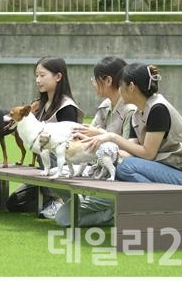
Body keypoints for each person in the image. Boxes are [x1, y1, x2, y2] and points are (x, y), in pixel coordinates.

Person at [76, 63, 182, 191]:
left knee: (124, 167)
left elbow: (148, 154)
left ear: (131, 87)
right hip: (171, 170)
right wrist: (96, 147)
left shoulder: (158, 108)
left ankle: (155, 203)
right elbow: (130, 150)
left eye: (121, 86)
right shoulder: (137, 112)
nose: (119, 90)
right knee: (116, 162)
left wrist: (111, 137)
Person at [54, 56, 136, 227]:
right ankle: (88, 201)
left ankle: (114, 215)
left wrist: (99, 135)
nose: (92, 83)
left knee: (63, 219)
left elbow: (131, 152)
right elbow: (89, 135)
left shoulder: (131, 110)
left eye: (94, 79)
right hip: (94, 168)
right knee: (55, 173)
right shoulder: (105, 105)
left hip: (116, 176)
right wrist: (82, 136)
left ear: (107, 80)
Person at [5, 56, 83, 217]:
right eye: (36, 75)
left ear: (58, 77)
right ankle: (49, 200)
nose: (37, 80)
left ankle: (59, 200)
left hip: (61, 163)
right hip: (43, 166)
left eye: (42, 75)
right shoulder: (39, 105)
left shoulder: (66, 107)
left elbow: (69, 144)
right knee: (13, 203)